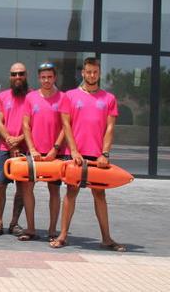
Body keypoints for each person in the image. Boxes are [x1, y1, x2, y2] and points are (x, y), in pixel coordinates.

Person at [51, 57, 125, 252]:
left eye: (95, 72)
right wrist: (74, 150)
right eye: (88, 72)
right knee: (71, 193)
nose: (92, 75)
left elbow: (110, 128)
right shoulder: (70, 96)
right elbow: (66, 125)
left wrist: (105, 153)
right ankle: (63, 235)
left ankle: (107, 238)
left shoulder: (108, 99)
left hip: (97, 155)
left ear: (99, 73)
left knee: (100, 195)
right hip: (75, 154)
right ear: (82, 73)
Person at [21, 62, 66, 242]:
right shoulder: (30, 97)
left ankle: (52, 230)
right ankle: (30, 228)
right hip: (33, 153)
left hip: (55, 153)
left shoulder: (63, 98)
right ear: (39, 78)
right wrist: (31, 149)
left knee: (54, 191)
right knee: (27, 189)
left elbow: (66, 126)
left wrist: (55, 149)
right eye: (43, 77)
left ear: (55, 78)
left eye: (49, 77)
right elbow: (25, 125)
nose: (46, 80)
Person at [0, 63, 27, 238]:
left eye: (21, 74)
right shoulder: (2, 97)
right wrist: (11, 143)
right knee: (0, 184)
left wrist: (19, 141)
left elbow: (34, 125)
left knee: (22, 187)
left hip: (25, 148)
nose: (17, 77)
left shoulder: (33, 97)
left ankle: (14, 223)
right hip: (4, 147)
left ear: (25, 75)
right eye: (14, 74)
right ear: (10, 76)